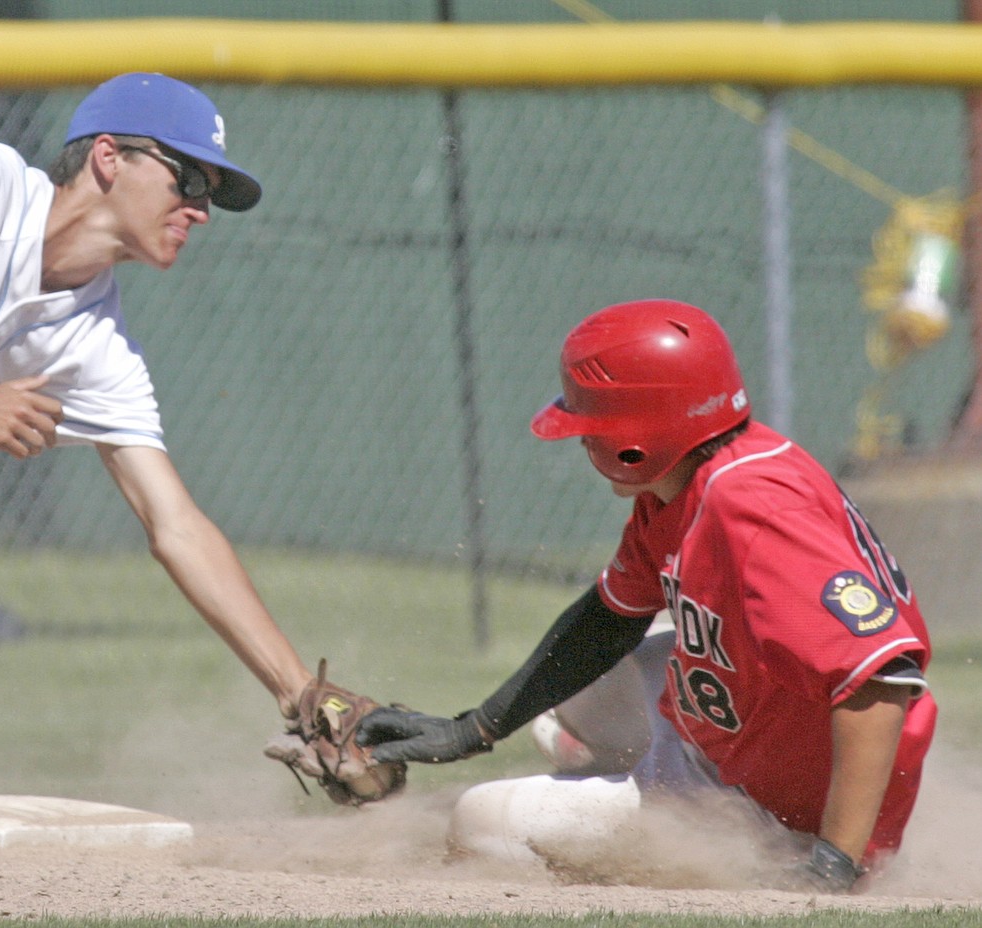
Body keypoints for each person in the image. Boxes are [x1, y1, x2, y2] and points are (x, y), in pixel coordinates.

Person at [0, 73, 321, 858]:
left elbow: (173, 522)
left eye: (212, 192)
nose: (201, 208)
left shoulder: (91, 344)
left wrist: (303, 698)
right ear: (110, 158)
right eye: (188, 178)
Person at [359, 299, 937, 893]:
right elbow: (608, 620)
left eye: (592, 428)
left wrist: (836, 862)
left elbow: (881, 678)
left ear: (636, 437)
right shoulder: (692, 477)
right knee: (576, 690)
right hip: (734, 724)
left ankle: (628, 799)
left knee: (480, 821)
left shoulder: (750, 505)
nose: (583, 441)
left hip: (763, 813)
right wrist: (473, 729)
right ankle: (601, 766)